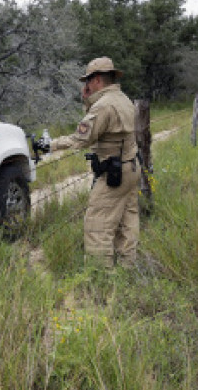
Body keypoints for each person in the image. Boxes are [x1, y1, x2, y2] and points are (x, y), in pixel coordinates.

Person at [46, 57, 140, 266]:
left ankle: (101, 278)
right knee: (127, 220)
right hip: (131, 166)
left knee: (97, 224)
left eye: (87, 81)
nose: (85, 86)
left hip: (113, 172)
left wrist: (51, 145)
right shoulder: (123, 98)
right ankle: (127, 267)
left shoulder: (102, 106)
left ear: (96, 80)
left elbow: (81, 139)